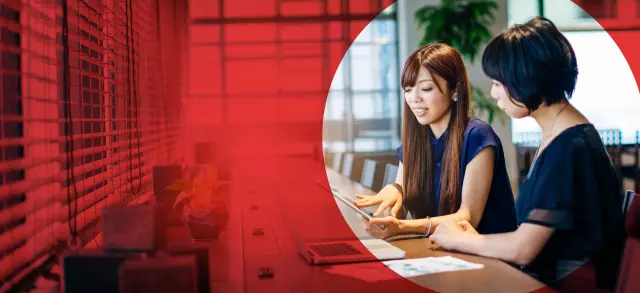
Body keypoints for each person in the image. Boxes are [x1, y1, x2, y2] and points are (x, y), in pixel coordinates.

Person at [428, 17, 625, 291]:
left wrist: (460, 240)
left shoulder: (569, 147)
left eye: (498, 83)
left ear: (525, 80)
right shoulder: (563, 136)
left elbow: (524, 249)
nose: (494, 93)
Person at [354, 43, 517, 239]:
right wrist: (394, 190)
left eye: (426, 88)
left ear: (455, 90)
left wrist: (402, 227)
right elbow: (401, 185)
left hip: (489, 258)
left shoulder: (477, 135)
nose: (414, 98)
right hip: (442, 251)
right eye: (408, 89)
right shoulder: (416, 141)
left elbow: (468, 218)